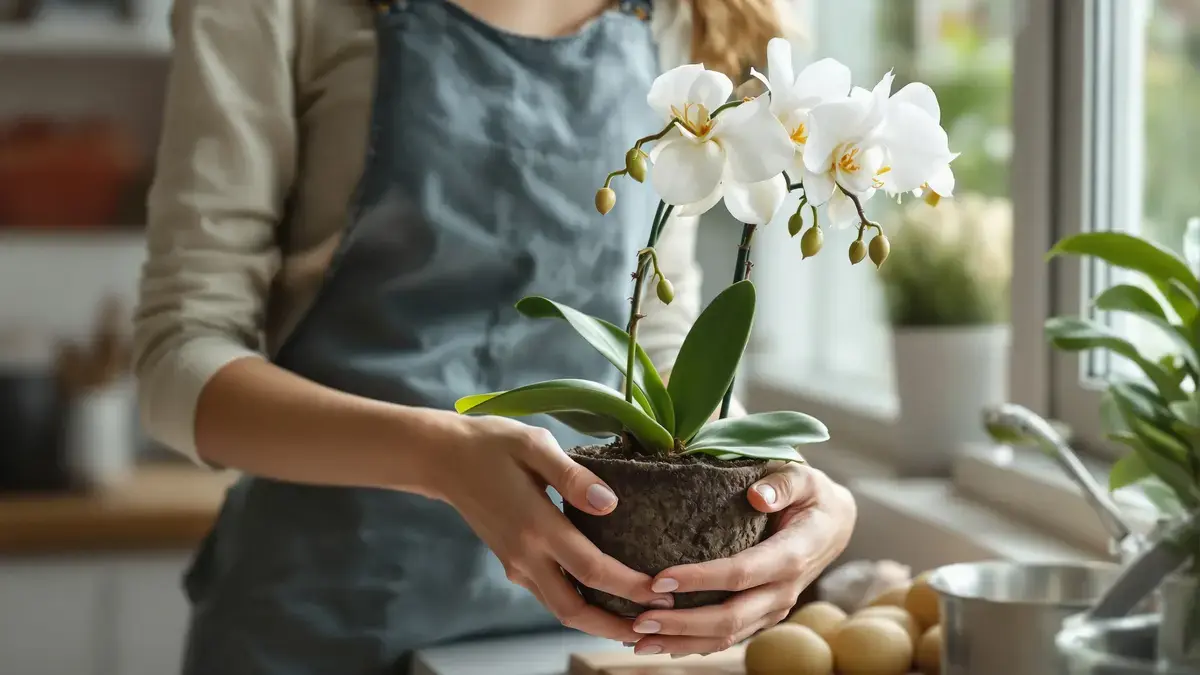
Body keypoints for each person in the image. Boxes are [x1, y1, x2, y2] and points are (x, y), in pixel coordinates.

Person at [133, 0, 857, 672]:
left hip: (575, 637)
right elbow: (180, 358)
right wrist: (439, 455)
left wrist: (778, 491)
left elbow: (656, 340)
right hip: (318, 619)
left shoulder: (668, 15)